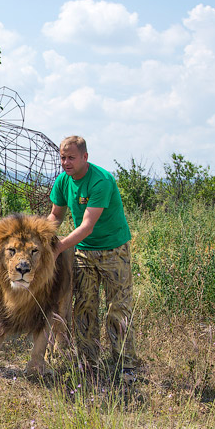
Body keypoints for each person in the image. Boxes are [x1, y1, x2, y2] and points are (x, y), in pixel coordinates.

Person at [47, 135, 138, 380]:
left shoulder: (101, 181)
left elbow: (87, 225)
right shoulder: (63, 181)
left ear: (85, 157)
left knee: (117, 308)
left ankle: (125, 365)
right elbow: (55, 217)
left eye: (71, 158)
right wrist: (42, 239)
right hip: (83, 252)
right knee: (85, 307)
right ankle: (89, 363)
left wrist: (57, 249)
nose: (66, 163)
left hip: (113, 251)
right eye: (63, 157)